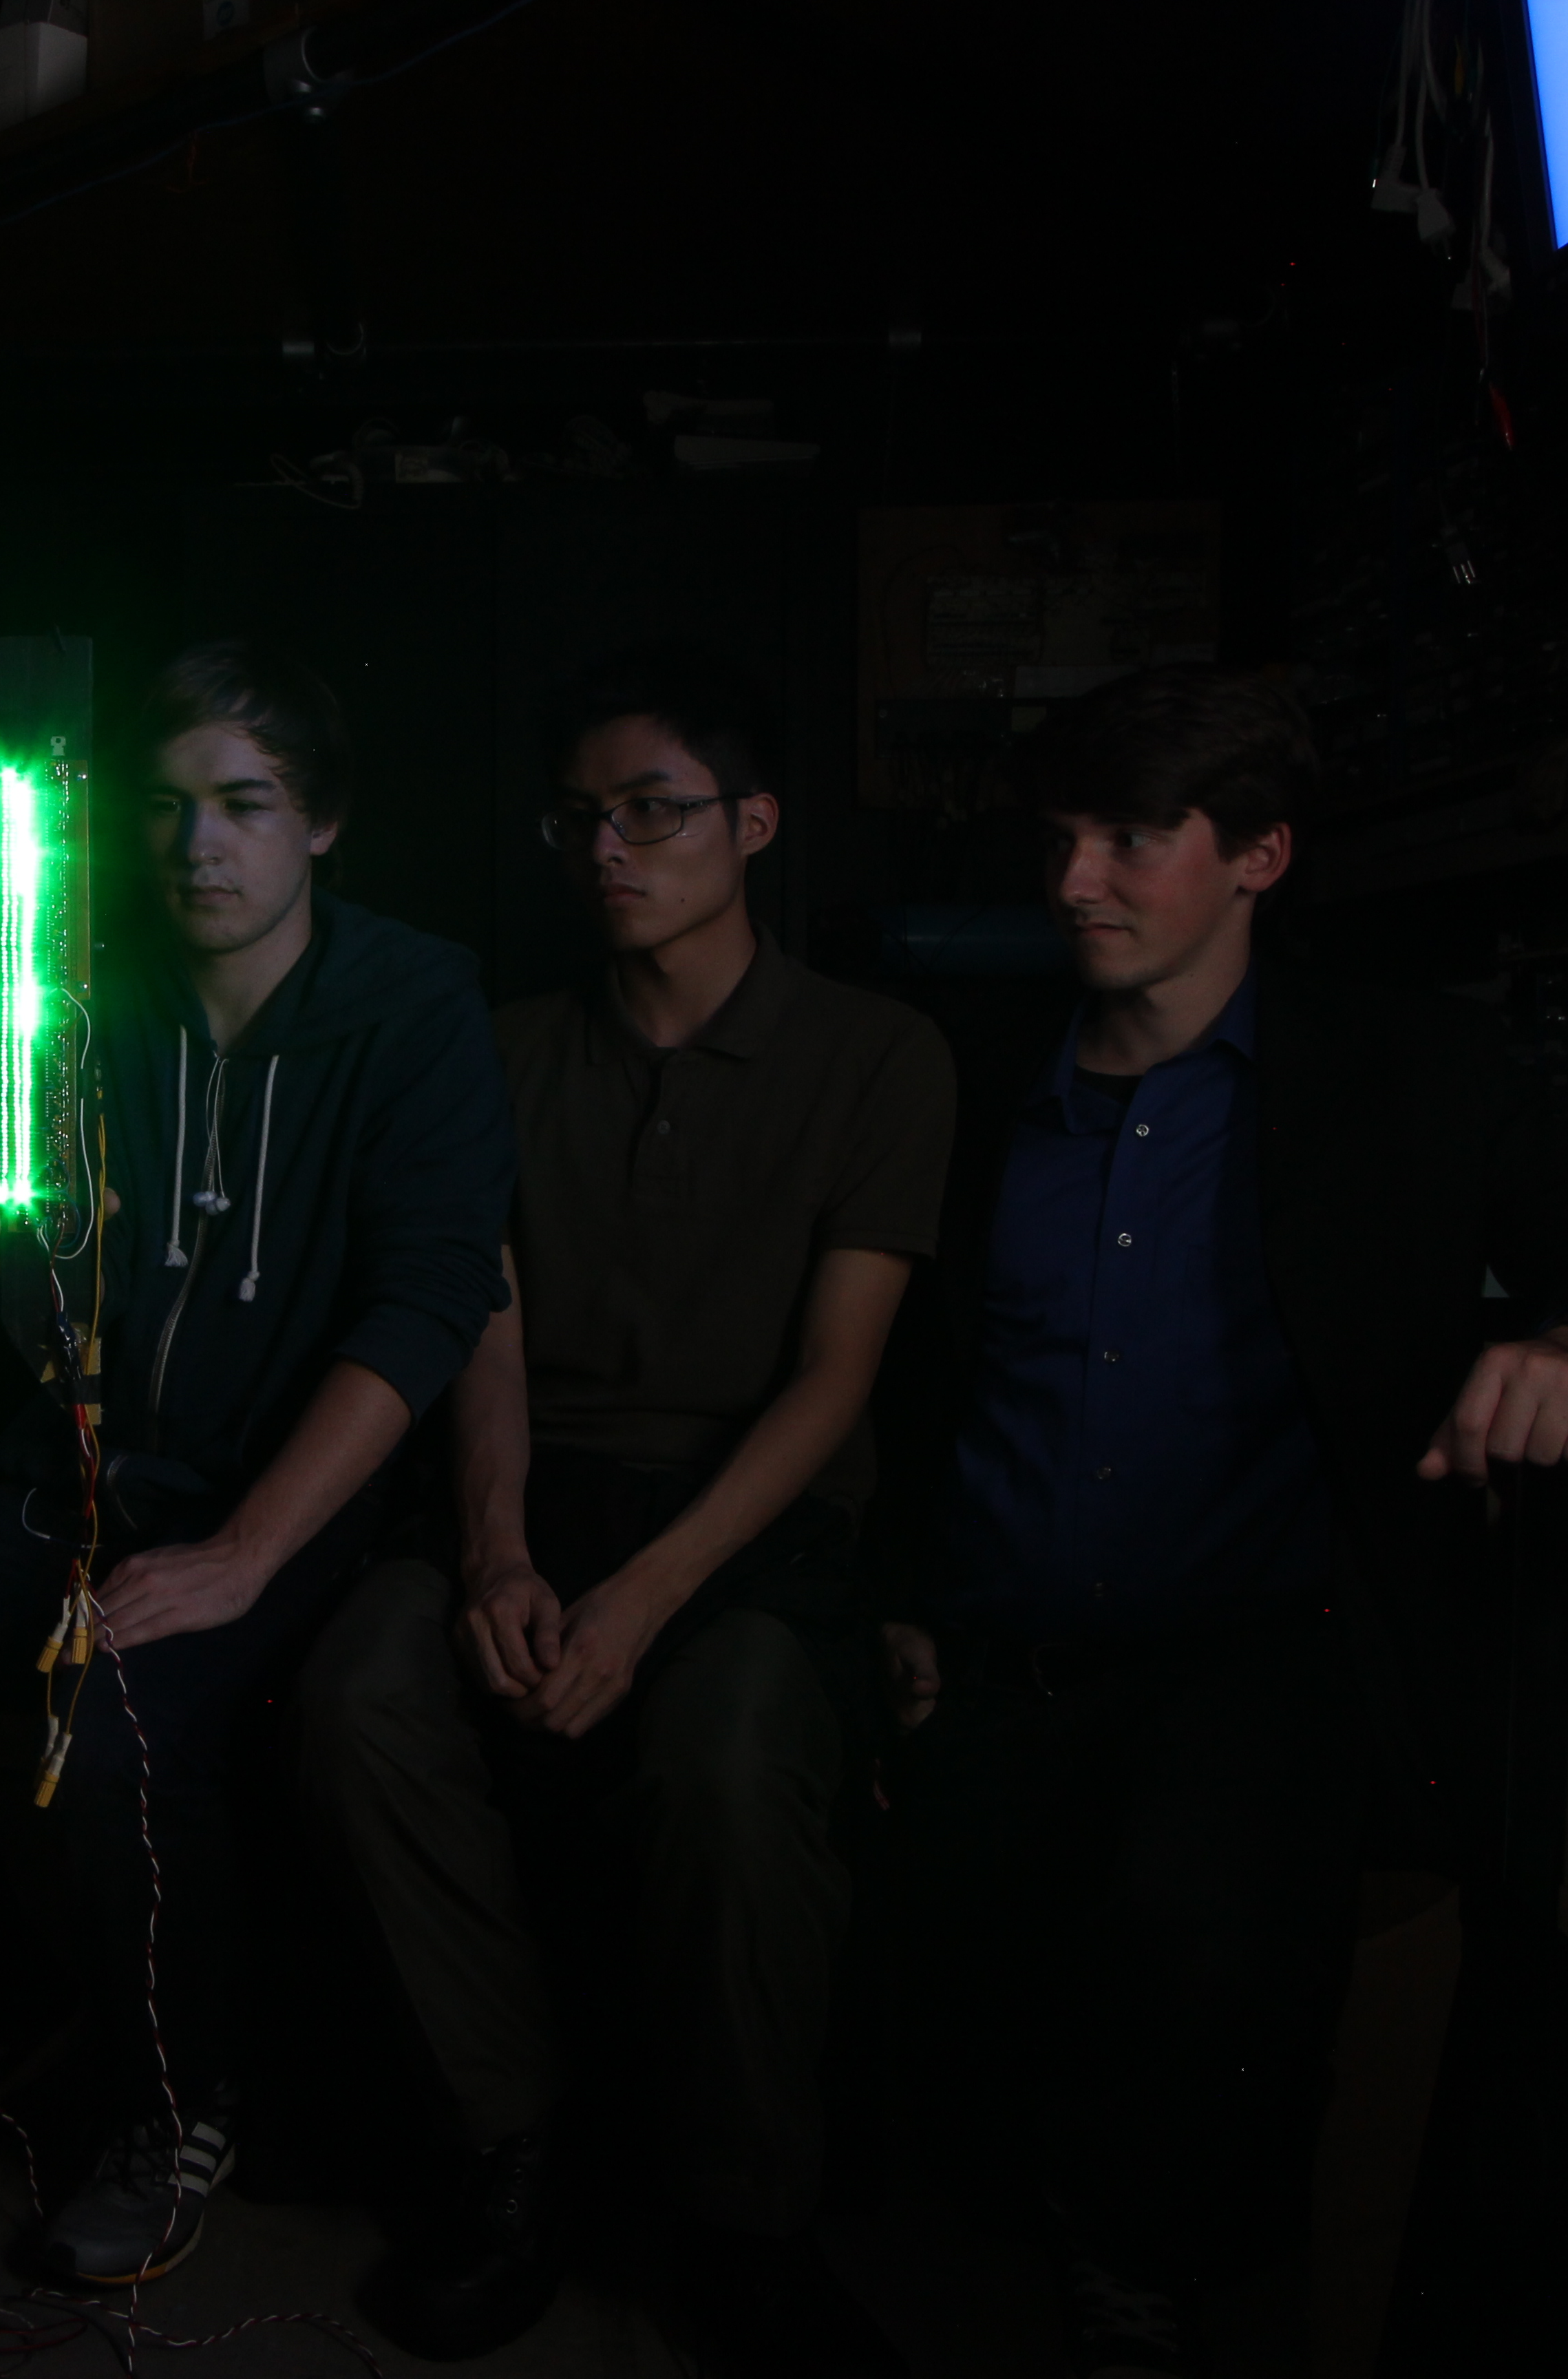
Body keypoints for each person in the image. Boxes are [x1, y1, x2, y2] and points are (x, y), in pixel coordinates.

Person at [873, 665, 1568, 2377]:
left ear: (1259, 856)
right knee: (951, 2062)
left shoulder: (1406, 1071)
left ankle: (1154, 2279)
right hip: (989, 1661)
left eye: (1133, 840)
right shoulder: (969, 1083)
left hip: (1260, 1660)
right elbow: (908, 1372)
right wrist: (902, 1593)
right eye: (1061, 841)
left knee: (1201, 1961)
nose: (1076, 882)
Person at [0, 641, 516, 2286]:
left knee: (120, 1721)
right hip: (85, 1479)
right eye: (168, 808)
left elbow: (432, 1301)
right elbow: (53, 1297)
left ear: (322, 823)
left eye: (244, 805)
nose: (199, 847)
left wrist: (247, 1551)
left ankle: (178, 2103)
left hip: (296, 1508)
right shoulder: (82, 1010)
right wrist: (2, 1243)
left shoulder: (413, 1007)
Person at [297, 648, 955, 2369]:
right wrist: (497, 1550)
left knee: (730, 1743)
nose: (608, 849)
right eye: (581, 819)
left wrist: (647, 1598)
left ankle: (745, 2221)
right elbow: (482, 1320)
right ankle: (511, 2149)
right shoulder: (505, 1048)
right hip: (532, 1486)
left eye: (652, 812)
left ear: (754, 824)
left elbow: (835, 1380)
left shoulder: (878, 1055)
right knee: (364, 1686)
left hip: (748, 1520)